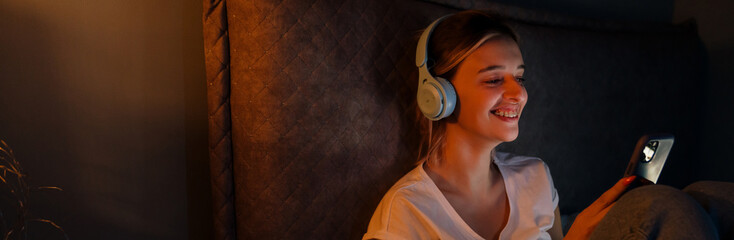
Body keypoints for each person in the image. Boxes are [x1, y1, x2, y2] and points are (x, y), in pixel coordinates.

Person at [363, 10, 722, 240]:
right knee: (665, 206)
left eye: (519, 77)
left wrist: (578, 233)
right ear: (438, 94)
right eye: (493, 80)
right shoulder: (406, 214)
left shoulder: (535, 177)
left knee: (710, 196)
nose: (518, 93)